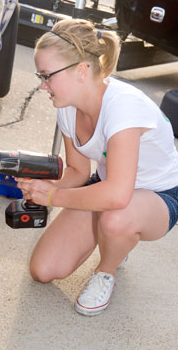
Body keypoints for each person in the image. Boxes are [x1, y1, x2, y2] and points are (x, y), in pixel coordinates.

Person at [15, 19, 178, 317]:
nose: (41, 85)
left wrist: (52, 198)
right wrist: (42, 188)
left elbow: (117, 195)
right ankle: (116, 238)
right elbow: (78, 171)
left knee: (117, 218)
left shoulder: (123, 106)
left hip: (160, 195)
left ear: (80, 71)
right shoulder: (65, 105)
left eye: (47, 76)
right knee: (43, 269)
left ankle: (106, 271)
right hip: (109, 187)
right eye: (41, 76)